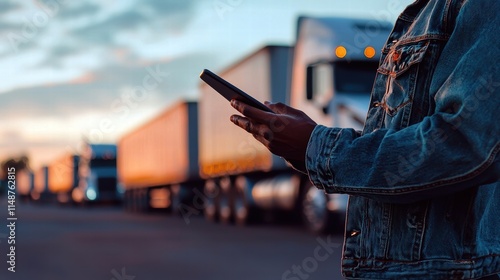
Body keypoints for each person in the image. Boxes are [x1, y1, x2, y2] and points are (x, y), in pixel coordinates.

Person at [229, 0, 499, 279]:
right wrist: (307, 147)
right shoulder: (427, 12)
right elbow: (411, 136)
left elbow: (464, 143)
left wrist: (318, 147)